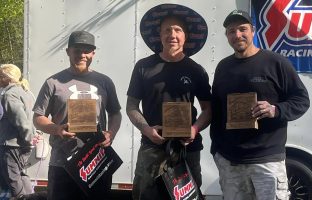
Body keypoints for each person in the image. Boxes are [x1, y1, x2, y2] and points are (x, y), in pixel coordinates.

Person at [210, 10, 310, 200]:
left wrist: (275, 109)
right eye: (231, 31)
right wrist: (217, 150)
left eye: (242, 29)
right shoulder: (223, 67)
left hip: (267, 160)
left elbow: (302, 100)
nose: (237, 35)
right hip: (230, 161)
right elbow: (217, 108)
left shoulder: (275, 62)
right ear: (227, 36)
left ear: (253, 31)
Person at [127, 4, 211, 200]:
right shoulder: (143, 67)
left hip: (187, 149)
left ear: (185, 36)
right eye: (167, 30)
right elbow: (131, 106)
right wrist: (147, 129)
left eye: (178, 30)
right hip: (151, 147)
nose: (172, 34)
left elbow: (207, 109)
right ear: (159, 35)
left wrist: (195, 129)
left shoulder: (196, 70)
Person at [32, 30, 122, 200]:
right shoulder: (53, 83)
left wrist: (111, 133)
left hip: (96, 160)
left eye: (87, 50)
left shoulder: (105, 82)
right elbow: (38, 118)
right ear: (68, 52)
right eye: (77, 50)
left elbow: (115, 113)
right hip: (62, 162)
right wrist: (57, 129)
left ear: (93, 53)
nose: (82, 55)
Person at [0, 64, 36, 199]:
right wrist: (32, 138)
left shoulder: (9, 94)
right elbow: (31, 117)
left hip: (12, 145)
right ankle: (31, 197)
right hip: (23, 143)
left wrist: (28, 138)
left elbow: (20, 120)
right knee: (20, 174)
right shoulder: (26, 91)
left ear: (7, 78)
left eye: (0, 76)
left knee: (12, 178)